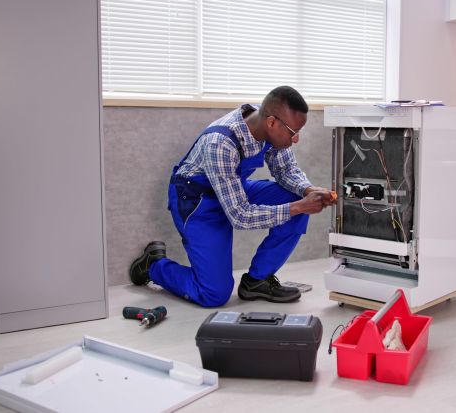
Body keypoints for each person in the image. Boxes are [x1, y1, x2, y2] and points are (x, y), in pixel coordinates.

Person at [129, 86, 334, 307]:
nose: (296, 139)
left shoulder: (268, 123)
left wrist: (308, 191)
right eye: (293, 132)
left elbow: (285, 170)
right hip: (196, 201)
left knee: (295, 198)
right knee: (213, 294)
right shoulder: (221, 142)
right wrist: (300, 206)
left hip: (233, 190)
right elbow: (239, 216)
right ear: (272, 123)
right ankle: (153, 265)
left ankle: (257, 280)